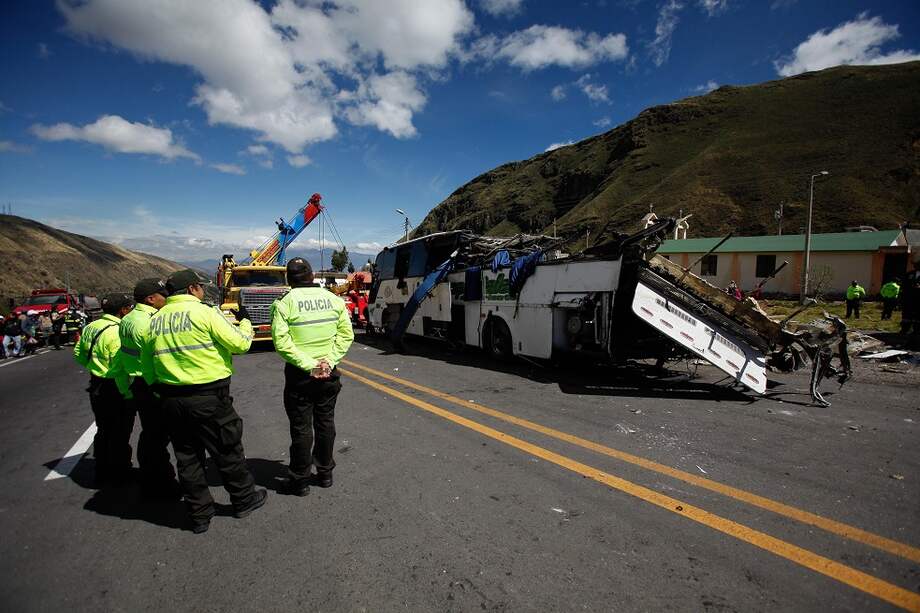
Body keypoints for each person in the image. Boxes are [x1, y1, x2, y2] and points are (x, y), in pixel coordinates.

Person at [143, 269, 266, 533]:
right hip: (209, 397)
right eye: (199, 287)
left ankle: (199, 514)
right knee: (227, 449)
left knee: (187, 457)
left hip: (171, 399)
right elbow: (240, 344)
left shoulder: (154, 321)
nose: (201, 291)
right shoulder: (205, 313)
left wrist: (161, 391)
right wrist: (245, 323)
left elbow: (147, 366)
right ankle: (244, 500)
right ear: (192, 289)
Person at [271, 257, 354, 496]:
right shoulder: (333, 299)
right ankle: (325, 473)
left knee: (301, 428)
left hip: (300, 377)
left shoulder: (284, 303)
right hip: (329, 374)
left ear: (289, 278)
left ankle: (300, 481)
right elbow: (346, 335)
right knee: (325, 423)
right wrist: (328, 362)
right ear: (312, 276)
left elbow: (282, 343)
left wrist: (310, 365)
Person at [120, 278, 179, 499]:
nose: (167, 298)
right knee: (157, 438)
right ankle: (160, 485)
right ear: (151, 298)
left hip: (138, 382)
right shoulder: (147, 322)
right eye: (163, 294)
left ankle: (152, 480)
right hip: (150, 384)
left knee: (151, 436)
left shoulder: (129, 319)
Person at [73, 293, 135, 486]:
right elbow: (119, 368)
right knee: (120, 433)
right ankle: (121, 473)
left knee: (103, 429)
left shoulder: (91, 327)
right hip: (114, 387)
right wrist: (127, 393)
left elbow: (78, 353)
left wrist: (94, 368)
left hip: (96, 384)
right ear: (123, 310)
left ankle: (101, 471)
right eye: (129, 308)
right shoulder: (117, 331)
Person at [901, 255, 920, 347]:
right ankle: (904, 331)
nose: (916, 266)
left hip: (918, 300)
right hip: (909, 299)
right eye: (915, 265)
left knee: (917, 318)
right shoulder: (909, 274)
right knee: (906, 317)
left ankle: (916, 332)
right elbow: (904, 286)